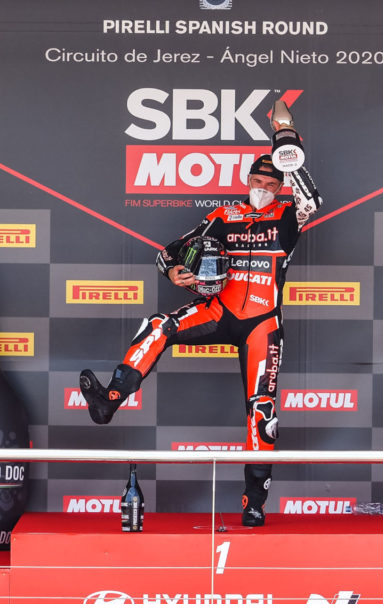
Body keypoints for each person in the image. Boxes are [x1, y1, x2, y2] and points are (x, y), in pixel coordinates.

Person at [79, 153, 322, 527]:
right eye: (258, 183)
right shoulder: (224, 216)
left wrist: (287, 150)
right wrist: (173, 272)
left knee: (263, 413)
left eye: (272, 186)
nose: (263, 191)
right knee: (159, 325)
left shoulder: (289, 216)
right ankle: (110, 398)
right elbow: (170, 252)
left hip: (262, 322)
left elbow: (312, 201)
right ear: (248, 180)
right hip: (218, 309)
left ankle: (254, 503)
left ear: (281, 188)